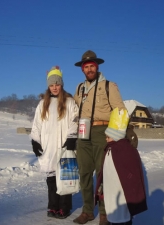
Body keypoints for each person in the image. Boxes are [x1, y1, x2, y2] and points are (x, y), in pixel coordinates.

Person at [73, 50, 126, 225]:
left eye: (92, 66)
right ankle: (87, 211)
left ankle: (104, 213)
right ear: (82, 69)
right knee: (84, 173)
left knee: (102, 174)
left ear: (97, 67)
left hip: (102, 131)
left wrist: (114, 134)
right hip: (83, 132)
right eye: (86, 67)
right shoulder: (79, 88)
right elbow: (72, 109)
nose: (89, 69)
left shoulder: (109, 86)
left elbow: (120, 110)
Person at [30, 66, 79, 219]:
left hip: (64, 146)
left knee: (65, 178)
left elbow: (74, 120)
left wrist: (72, 137)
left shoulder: (70, 102)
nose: (54, 87)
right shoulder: (42, 104)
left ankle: (64, 207)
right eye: (51, 85)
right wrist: (35, 141)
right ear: (48, 86)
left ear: (61, 84)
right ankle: (53, 206)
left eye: (57, 84)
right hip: (48, 146)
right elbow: (36, 124)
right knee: (51, 179)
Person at [95, 107, 147, 225]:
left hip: (122, 191)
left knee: (123, 214)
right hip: (111, 190)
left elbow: (132, 172)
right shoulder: (109, 149)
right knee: (114, 211)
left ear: (116, 136)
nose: (106, 139)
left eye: (108, 137)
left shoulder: (125, 150)